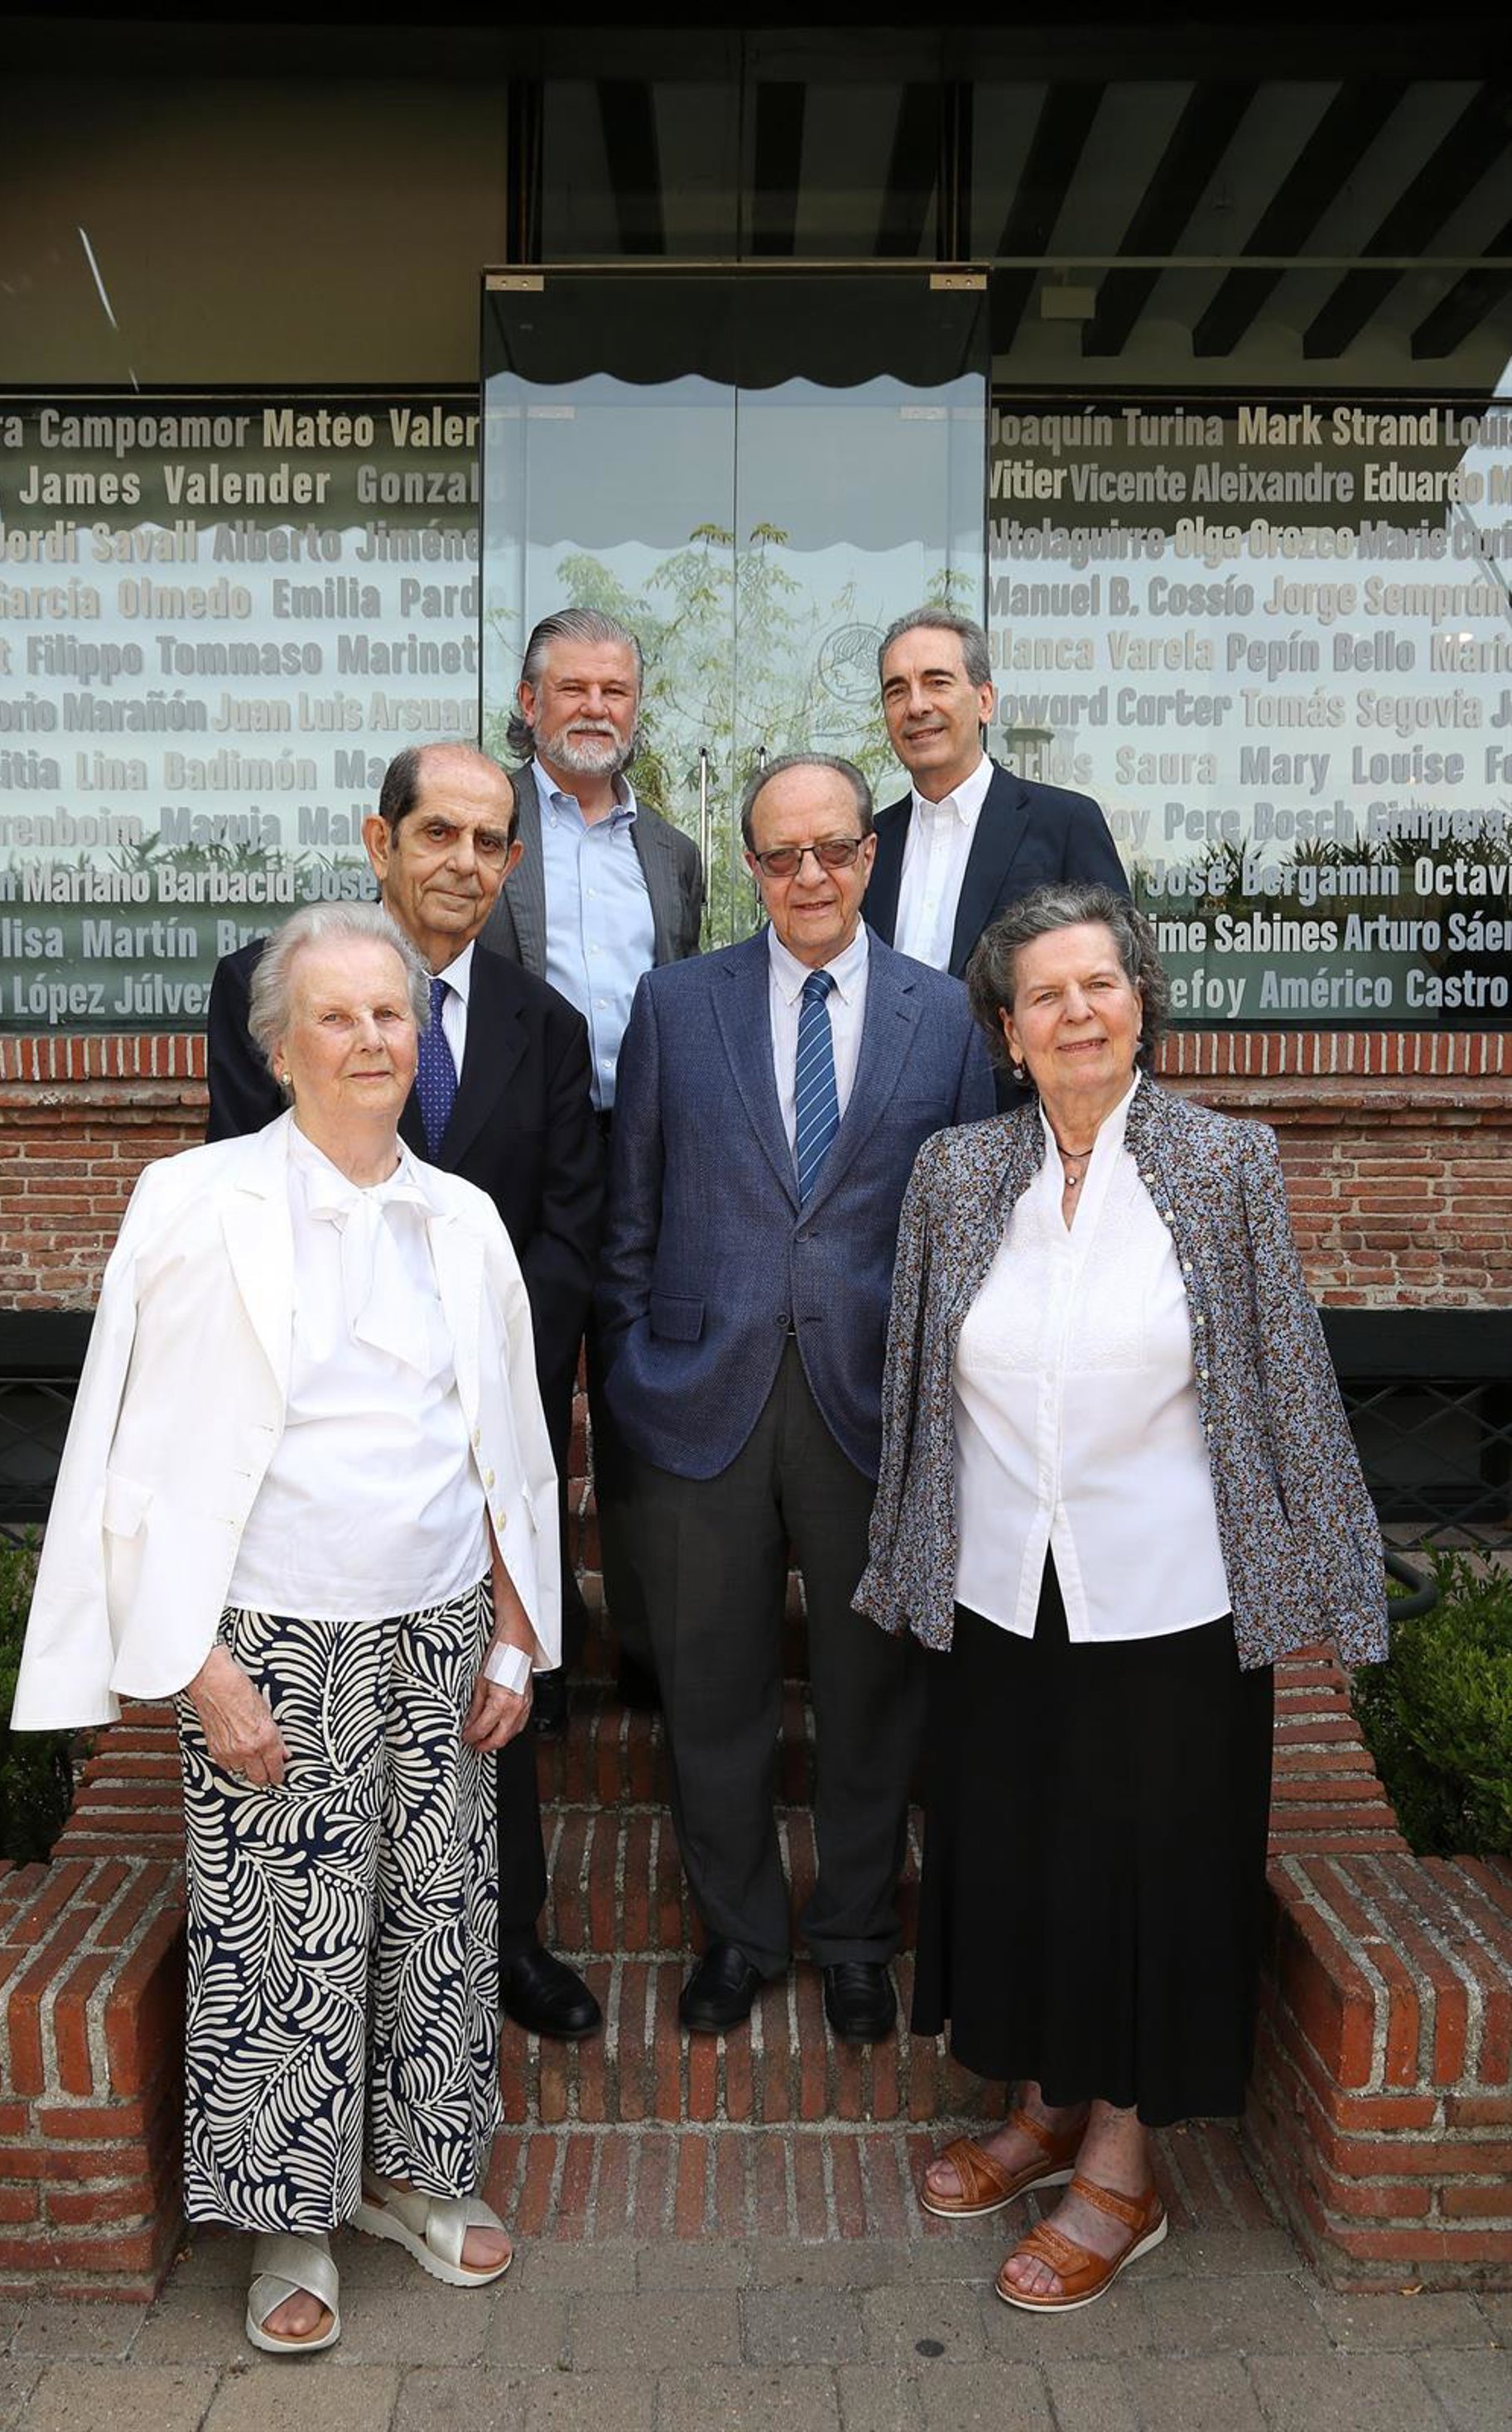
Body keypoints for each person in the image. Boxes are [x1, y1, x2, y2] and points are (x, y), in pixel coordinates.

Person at [13, 903, 561, 2355]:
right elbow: (131, 1450)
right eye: (338, 1014)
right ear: (278, 1046)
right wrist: (195, 1663)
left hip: (439, 1630)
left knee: (437, 1922)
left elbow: (507, 1443)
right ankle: (289, 2221)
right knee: (281, 1944)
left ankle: (412, 2176)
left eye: (392, 1013)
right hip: (270, 1638)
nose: (372, 1037)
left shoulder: (466, 1219)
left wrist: (515, 1634)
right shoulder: (189, 1201)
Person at [856, 881, 1388, 2313]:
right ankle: (1045, 2105)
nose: (1076, 1011)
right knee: (1022, 1858)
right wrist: (905, 1557)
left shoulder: (1223, 1161)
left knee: (1149, 1876)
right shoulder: (959, 1172)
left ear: (1142, 1004)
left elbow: (1285, 1372)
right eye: (1045, 994)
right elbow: (916, 1382)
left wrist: (1338, 1573)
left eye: (1100, 983)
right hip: (1000, 1596)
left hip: (1170, 1598)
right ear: (1008, 1032)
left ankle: (1123, 2163)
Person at [205, 744, 604, 2044]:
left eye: (490, 842)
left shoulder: (549, 1028)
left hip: (480, 1425)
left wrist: (489, 1376)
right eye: (439, 832)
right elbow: (246, 1193)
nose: (463, 863)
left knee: (493, 1688)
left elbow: (568, 1235)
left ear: (513, 863)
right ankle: (335, 1974)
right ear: (380, 842)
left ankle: (508, 1936)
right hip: (311, 1440)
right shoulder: (265, 990)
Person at [597, 753, 994, 2040]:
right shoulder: (675, 1004)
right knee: (712, 1687)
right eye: (782, 854)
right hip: (697, 1397)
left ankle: (858, 1936)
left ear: (869, 856)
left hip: (871, 1401)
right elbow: (631, 1211)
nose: (809, 874)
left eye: (832, 848)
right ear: (751, 866)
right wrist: (632, 1368)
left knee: (871, 1692)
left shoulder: (946, 1015)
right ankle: (740, 1934)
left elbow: (972, 1232)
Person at [483, 605, 706, 1708]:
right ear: (530, 703)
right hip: (519, 1154)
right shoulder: (486, 825)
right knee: (519, 1399)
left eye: (614, 690)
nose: (594, 708)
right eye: (572, 688)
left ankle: (652, 1650)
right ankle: (538, 1653)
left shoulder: (673, 853)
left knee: (637, 1405)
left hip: (642, 1151)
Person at [864, 609, 1126, 1104]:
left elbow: (1125, 987)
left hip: (1025, 1124)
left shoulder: (1064, 824)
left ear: (985, 701)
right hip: (889, 1129)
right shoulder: (869, 845)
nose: (916, 705)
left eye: (937, 682)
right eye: (897, 691)